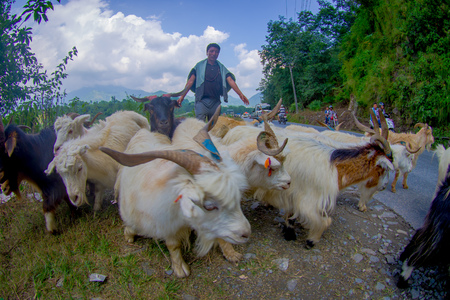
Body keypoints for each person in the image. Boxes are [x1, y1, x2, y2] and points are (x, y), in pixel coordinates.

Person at [176, 43, 249, 121]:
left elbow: (230, 80)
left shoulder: (221, 67)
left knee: (214, 128)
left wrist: (240, 94)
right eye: (211, 51)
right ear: (207, 53)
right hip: (201, 101)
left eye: (216, 52)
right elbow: (190, 81)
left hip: (215, 102)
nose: (214, 54)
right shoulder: (199, 66)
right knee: (200, 126)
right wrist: (182, 96)